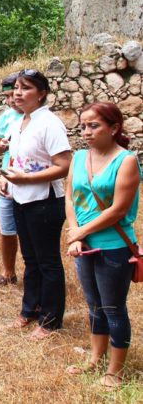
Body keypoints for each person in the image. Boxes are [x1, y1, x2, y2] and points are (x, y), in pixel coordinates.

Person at [64, 102, 140, 389]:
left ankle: (115, 371)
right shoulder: (80, 156)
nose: (86, 132)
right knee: (94, 305)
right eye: (83, 126)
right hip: (83, 244)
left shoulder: (127, 160)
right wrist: (76, 233)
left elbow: (119, 210)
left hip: (113, 246)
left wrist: (81, 231)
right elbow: (70, 195)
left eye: (94, 125)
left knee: (113, 307)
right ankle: (95, 360)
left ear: (114, 127)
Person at [0, 69, 72, 340]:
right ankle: (30, 310)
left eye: (26, 88)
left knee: (48, 262)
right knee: (30, 259)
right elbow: (17, 158)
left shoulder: (49, 123)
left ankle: (51, 320)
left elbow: (64, 165)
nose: (18, 93)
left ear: (41, 94)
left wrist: (27, 178)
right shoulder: (21, 121)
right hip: (21, 198)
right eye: (17, 87)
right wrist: (7, 177)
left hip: (44, 201)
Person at [0, 74, 23, 287]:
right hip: (7, 179)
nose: (10, 101)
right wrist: (1, 146)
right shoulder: (7, 117)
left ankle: (32, 274)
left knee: (28, 232)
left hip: (28, 180)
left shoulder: (37, 118)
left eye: (13, 95)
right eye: (6, 97)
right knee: (7, 229)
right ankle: (8, 272)